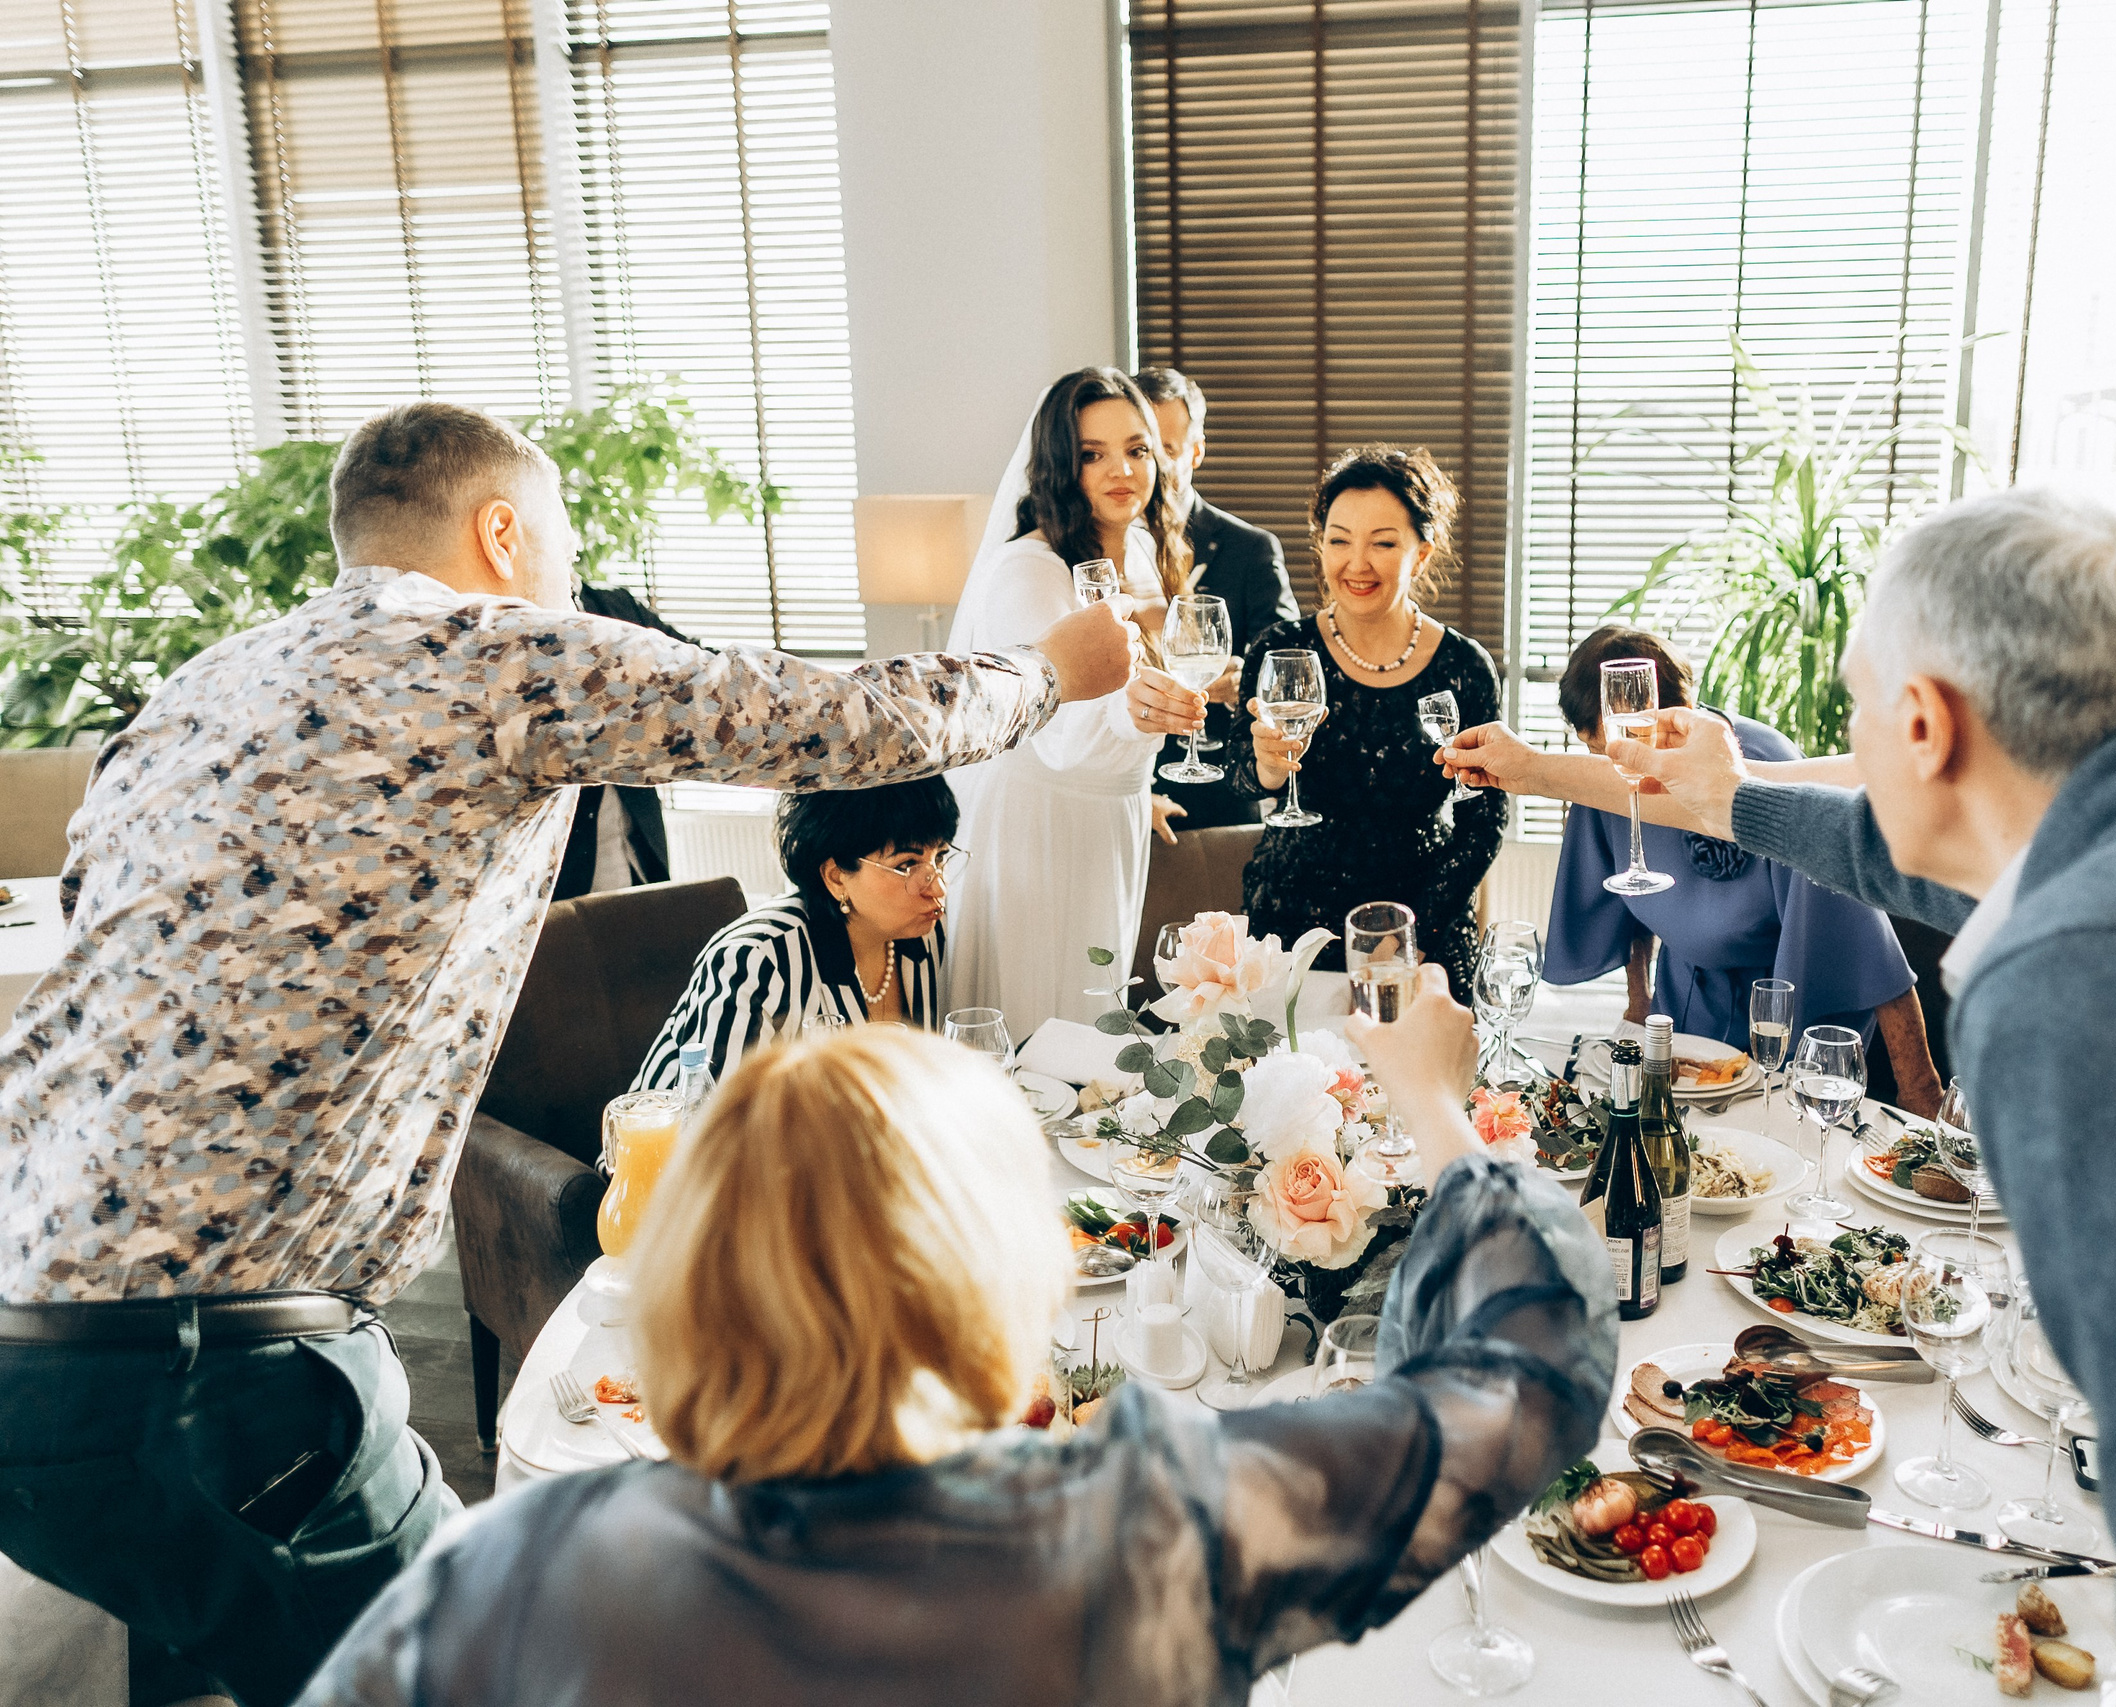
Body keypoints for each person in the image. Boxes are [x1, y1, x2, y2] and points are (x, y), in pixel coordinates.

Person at [0, 401, 1133, 1707]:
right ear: (501, 533)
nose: (570, 584)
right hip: (218, 1362)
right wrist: (1049, 667)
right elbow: (822, 723)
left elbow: (98, 918)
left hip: (31, 1341)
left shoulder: (201, 684)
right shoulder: (483, 649)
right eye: (561, 547)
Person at [1441, 489, 2116, 1707]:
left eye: (1857, 710)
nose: (1847, 743)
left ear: (1924, 723)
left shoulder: (2093, 974)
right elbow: (1913, 850)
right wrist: (1730, 799)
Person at [292, 971, 1613, 1707]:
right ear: (999, 1269)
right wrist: (1435, 1109)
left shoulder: (519, 1566)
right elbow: (1524, 1378)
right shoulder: (1156, 1525)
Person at [1545, 624, 1941, 1114]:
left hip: (1784, 1018)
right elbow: (1622, 903)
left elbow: (1869, 947)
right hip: (1683, 1010)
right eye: (1598, 751)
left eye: (1629, 746)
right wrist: (1639, 1002)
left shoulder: (1762, 767)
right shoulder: (1610, 779)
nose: (1615, 766)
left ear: (1675, 717)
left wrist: (1920, 1089)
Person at [942, 367, 1210, 1040]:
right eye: (1093, 454)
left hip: (1112, 815)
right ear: (1061, 465)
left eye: (1137, 449)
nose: (1122, 469)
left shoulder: (1141, 549)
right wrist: (1133, 714)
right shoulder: (1026, 571)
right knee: (1043, 1025)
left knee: (1096, 1021)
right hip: (1041, 827)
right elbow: (1057, 726)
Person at [1234, 446, 1504, 988]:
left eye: (1382, 543)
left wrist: (1408, 935)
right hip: (1294, 925)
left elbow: (1484, 822)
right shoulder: (1280, 650)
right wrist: (1268, 765)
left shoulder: (1465, 667)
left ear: (1421, 554)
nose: (1357, 563)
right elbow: (1241, 777)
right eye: (1339, 540)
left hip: (1425, 925)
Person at [634, 779, 960, 1084]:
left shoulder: (921, 934)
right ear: (836, 877)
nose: (938, 889)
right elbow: (720, 1119)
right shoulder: (758, 962)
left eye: (941, 857)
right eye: (907, 865)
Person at [1129, 365, 1299, 836]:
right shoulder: (1093, 553)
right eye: (1142, 450)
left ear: (1197, 451)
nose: (1153, 467)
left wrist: (1242, 681)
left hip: (1221, 798)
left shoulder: (1250, 549)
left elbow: (1285, 671)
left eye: (1168, 450)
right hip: (1117, 798)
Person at [553, 582, 693, 899]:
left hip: (641, 845)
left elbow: (694, 669)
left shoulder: (617, 605)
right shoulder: (519, 631)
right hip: (569, 867)